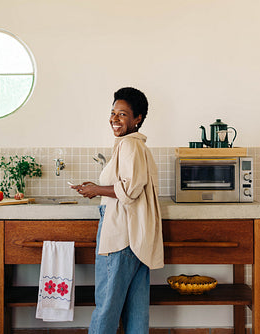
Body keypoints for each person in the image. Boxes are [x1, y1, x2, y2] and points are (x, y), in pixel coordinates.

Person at [71, 87, 164, 334]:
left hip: (121, 238)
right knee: (136, 311)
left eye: (122, 114)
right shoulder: (136, 146)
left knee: (107, 306)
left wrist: (96, 191)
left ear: (138, 119)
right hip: (137, 239)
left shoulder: (129, 146)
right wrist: (98, 188)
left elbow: (129, 189)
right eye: (113, 112)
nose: (114, 118)